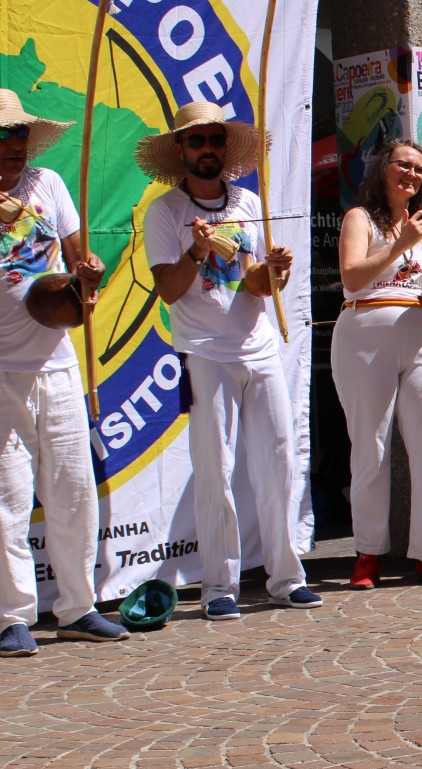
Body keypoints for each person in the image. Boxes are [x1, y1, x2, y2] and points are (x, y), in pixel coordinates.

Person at [0, 88, 127, 656]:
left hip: (56, 359)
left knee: (73, 489)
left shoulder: (49, 184)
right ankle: (13, 618)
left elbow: (80, 263)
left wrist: (91, 274)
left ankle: (78, 608)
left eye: (20, 132)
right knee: (2, 495)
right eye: (1, 134)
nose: (14, 143)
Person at [137, 102, 321, 621]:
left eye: (215, 139)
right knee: (215, 469)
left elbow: (254, 284)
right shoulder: (165, 211)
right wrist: (196, 252)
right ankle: (219, 585)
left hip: (258, 348)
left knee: (279, 462)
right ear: (180, 149)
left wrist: (276, 271)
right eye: (197, 141)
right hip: (204, 353)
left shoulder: (247, 202)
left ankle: (287, 577)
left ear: (226, 146)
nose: (207, 149)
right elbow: (168, 290)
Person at [333, 139, 422, 589]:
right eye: (402, 165)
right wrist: (400, 243)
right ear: (383, 169)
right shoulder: (360, 218)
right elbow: (352, 277)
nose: (411, 174)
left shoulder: (420, 225)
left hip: (419, 330)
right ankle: (368, 554)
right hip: (365, 332)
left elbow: (420, 287)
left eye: (418, 169)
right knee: (371, 446)